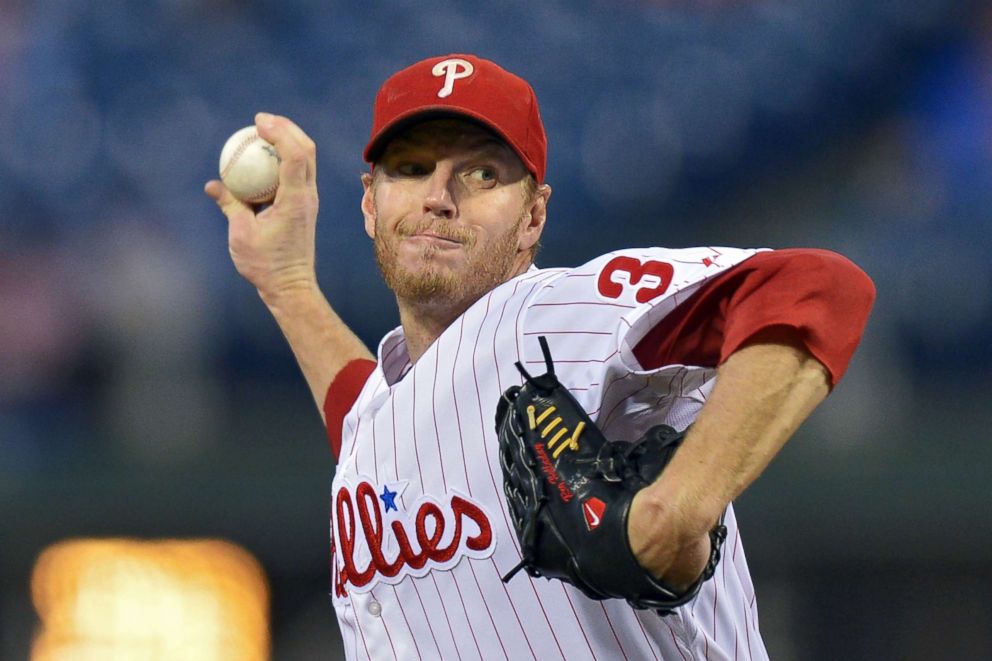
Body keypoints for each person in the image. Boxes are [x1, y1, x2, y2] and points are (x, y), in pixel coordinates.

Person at [206, 54, 874, 660]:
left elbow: (817, 287)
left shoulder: (552, 315)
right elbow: (374, 418)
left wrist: (673, 510)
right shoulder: (388, 405)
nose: (439, 195)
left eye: (481, 173)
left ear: (533, 217)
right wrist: (288, 285)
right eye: (411, 168)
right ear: (369, 203)